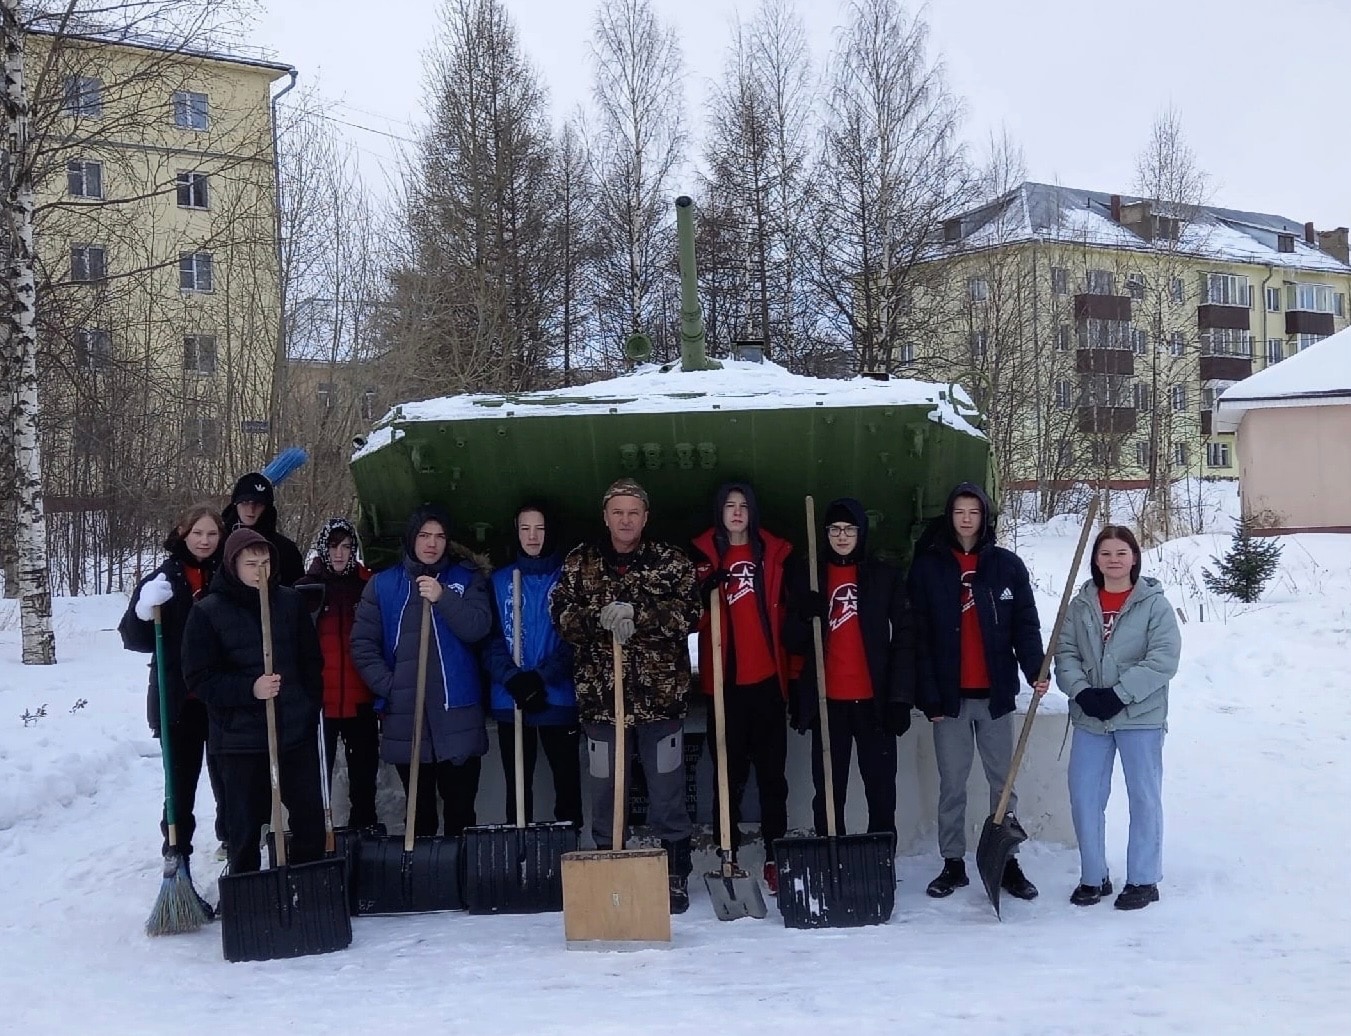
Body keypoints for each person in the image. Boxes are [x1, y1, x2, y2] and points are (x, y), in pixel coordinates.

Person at [550, 478, 701, 914]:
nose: (625, 520)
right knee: (605, 792)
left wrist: (642, 614)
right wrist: (598, 618)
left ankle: (674, 873)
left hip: (660, 701)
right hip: (602, 703)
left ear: (645, 517)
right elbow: (561, 615)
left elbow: (690, 612)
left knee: (667, 791)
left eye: (633, 512)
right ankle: (609, 865)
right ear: (605, 516)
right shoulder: (581, 562)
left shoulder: (670, 561)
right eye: (618, 512)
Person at [908, 482, 1047, 901]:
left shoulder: (1006, 566)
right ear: (949, 517)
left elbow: (1025, 624)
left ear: (985, 517)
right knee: (952, 784)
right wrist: (928, 695)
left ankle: (1006, 860)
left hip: (995, 696)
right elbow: (918, 636)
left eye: (974, 512)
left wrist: (1035, 669)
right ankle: (953, 862)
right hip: (949, 700)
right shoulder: (929, 567)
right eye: (959, 512)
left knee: (1003, 783)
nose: (967, 519)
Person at [180, 529, 326, 875]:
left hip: (294, 733)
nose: (260, 570)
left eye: (265, 562)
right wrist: (250, 689)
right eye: (251, 563)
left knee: (308, 818)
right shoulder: (208, 612)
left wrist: (307, 707)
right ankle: (247, 889)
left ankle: (306, 886)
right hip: (239, 741)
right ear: (233, 565)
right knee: (244, 827)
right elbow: (200, 679)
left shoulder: (290, 603)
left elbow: (311, 662)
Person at [1055, 525, 1181, 911]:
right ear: (1096, 560)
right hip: (1091, 716)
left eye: (1121, 553)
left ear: (1134, 558)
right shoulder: (1080, 606)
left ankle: (1143, 878)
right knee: (1085, 796)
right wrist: (1081, 691)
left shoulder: (1154, 605)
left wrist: (1120, 694)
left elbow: (1163, 658)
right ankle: (1094, 876)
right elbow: (1065, 652)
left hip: (1139, 715)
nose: (1113, 560)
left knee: (1143, 796)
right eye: (1106, 553)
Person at [351, 505, 492, 837]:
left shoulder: (466, 579)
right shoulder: (383, 586)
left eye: (440, 536)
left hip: (457, 715)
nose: (432, 543)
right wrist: (391, 687)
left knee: (461, 812)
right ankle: (424, 868)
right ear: (411, 538)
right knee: (420, 814)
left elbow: (478, 627)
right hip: (408, 717)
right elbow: (363, 645)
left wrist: (443, 598)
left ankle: (461, 868)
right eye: (425, 535)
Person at [783, 497, 915, 841]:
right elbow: (791, 641)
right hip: (829, 706)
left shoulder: (883, 578)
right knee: (829, 792)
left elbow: (905, 638)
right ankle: (831, 854)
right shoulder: (811, 577)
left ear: (861, 532)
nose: (842, 536)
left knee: (881, 790)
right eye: (835, 529)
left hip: (874, 704)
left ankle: (879, 857)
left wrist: (900, 698)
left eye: (849, 529)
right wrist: (804, 614)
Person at [690, 482, 793, 896]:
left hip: (767, 682)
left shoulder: (771, 555)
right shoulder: (704, 559)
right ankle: (727, 854)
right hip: (725, 686)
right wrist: (704, 597)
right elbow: (689, 620)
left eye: (743, 506)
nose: (736, 512)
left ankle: (774, 856)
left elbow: (786, 614)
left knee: (772, 778)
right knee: (727, 777)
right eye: (729, 506)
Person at [118, 504, 225, 894]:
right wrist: (143, 611)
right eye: (198, 533)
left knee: (229, 781)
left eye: (212, 534)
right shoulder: (162, 579)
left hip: (223, 698)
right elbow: (133, 638)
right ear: (183, 533)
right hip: (179, 701)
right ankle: (177, 854)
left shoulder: (228, 574)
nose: (204, 541)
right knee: (180, 785)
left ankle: (234, 847)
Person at [483, 503, 582, 829]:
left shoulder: (567, 579)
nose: (533, 537)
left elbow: (575, 640)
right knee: (517, 788)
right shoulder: (499, 581)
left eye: (539, 528)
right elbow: (490, 640)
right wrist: (514, 679)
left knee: (567, 784)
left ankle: (569, 843)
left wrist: (540, 678)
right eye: (525, 529)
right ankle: (519, 845)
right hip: (511, 698)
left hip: (557, 696)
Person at [296, 517, 380, 831]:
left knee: (364, 776)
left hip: (361, 700)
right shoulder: (306, 588)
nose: (340, 553)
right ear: (323, 549)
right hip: (322, 702)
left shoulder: (367, 586)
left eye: (346, 547)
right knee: (317, 777)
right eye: (333, 547)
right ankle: (316, 834)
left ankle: (364, 830)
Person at [222, 471, 305, 586]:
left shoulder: (285, 550)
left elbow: (295, 590)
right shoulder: (218, 542)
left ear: (267, 508)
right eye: (245, 502)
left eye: (258, 504)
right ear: (235, 504)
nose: (251, 510)